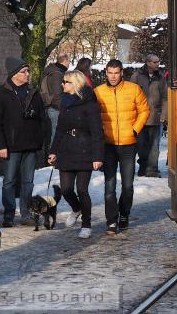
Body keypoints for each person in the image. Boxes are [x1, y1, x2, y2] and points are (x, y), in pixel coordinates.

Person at [0, 57, 48, 227]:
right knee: (9, 181)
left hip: (30, 145)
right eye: (24, 71)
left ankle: (26, 213)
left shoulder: (33, 92)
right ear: (14, 74)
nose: (28, 74)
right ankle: (9, 214)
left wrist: (40, 139)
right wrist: (0, 146)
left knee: (28, 181)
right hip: (11, 146)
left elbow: (42, 119)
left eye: (28, 71)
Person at [94, 59, 149, 235]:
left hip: (128, 144)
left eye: (116, 73)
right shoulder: (98, 92)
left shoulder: (133, 89)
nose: (113, 76)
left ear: (121, 72)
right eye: (110, 73)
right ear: (105, 73)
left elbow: (144, 110)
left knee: (127, 185)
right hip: (108, 145)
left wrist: (135, 129)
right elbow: (92, 115)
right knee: (109, 186)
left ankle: (124, 214)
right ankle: (111, 221)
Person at [47, 70, 104, 239]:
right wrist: (53, 151)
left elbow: (97, 132)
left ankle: (86, 224)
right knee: (65, 189)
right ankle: (76, 208)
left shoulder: (90, 103)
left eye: (66, 82)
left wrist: (98, 157)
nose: (62, 84)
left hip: (85, 149)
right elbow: (59, 129)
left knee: (82, 189)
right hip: (66, 148)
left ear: (76, 84)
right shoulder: (64, 102)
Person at [130, 54, 167, 178]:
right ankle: (143, 167)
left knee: (155, 145)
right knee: (141, 145)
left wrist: (163, 114)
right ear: (148, 62)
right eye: (155, 62)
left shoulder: (161, 77)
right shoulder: (136, 76)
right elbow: (130, 97)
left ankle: (152, 170)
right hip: (140, 118)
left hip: (155, 117)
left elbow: (165, 97)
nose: (158, 64)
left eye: (158, 61)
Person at [40, 52, 69, 155]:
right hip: (55, 108)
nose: (69, 64)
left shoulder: (53, 71)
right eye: (68, 61)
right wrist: (63, 108)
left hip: (51, 107)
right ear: (65, 61)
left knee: (54, 133)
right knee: (56, 134)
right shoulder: (57, 74)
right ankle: (54, 158)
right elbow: (57, 95)